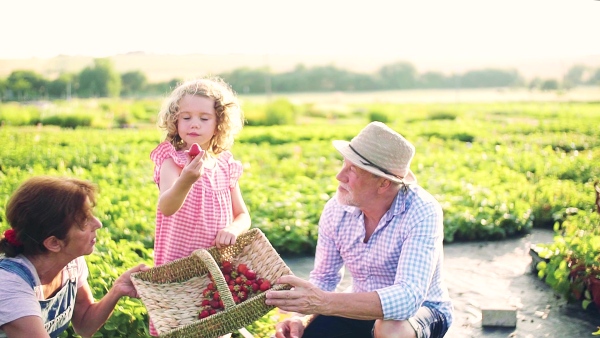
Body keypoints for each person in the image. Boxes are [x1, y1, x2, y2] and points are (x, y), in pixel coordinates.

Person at [266, 122, 453, 338]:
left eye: (352, 170)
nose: (339, 176)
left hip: (423, 311)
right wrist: (300, 318)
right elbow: (324, 278)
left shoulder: (422, 211)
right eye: (343, 164)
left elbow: (407, 299)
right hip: (359, 308)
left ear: (383, 184)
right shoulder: (336, 209)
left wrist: (323, 302)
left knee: (391, 329)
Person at [149, 77, 251, 336]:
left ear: (219, 124)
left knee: (216, 325)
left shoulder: (225, 164)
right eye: (186, 117)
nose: (194, 123)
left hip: (215, 267)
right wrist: (187, 180)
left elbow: (242, 215)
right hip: (179, 265)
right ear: (175, 121)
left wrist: (233, 229)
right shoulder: (173, 161)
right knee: (181, 327)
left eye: (204, 118)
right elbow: (167, 206)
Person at [0, 176, 148, 338]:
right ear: (54, 243)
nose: (98, 223)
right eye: (84, 221)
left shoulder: (71, 262)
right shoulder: (10, 285)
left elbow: (84, 325)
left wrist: (117, 289)